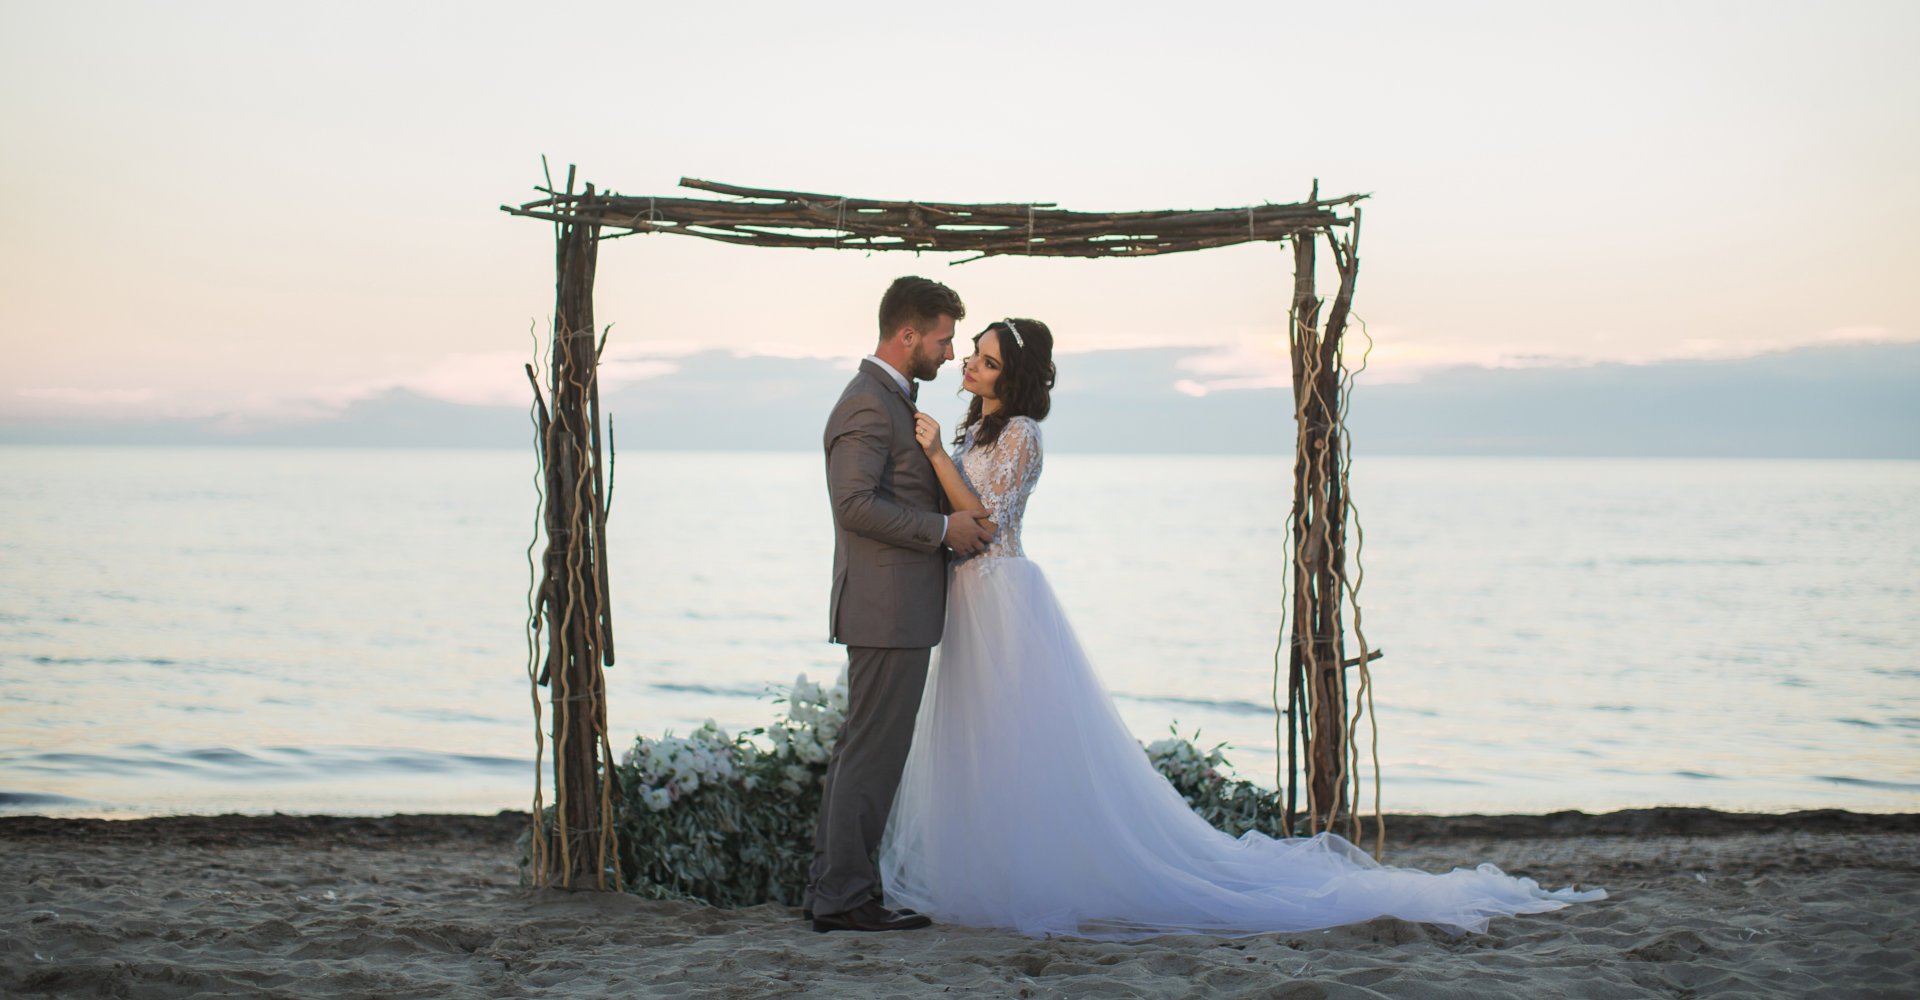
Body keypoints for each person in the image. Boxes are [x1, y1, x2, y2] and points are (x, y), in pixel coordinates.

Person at [878, 317, 1606, 940]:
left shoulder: (1024, 436)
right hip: (967, 602)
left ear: (1016, 376)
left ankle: (1033, 880)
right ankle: (989, 872)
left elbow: (985, 522)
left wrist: (938, 454)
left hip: (1002, 593)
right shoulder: (979, 426)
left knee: (1017, 745)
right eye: (972, 350)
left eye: (987, 357)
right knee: (974, 743)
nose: (970, 362)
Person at [805, 276, 996, 934]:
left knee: (866, 750)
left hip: (898, 607)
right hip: (886, 607)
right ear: (906, 334)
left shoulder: (891, 400)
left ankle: (837, 888)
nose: (950, 354)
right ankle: (843, 899)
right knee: (873, 754)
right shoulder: (866, 404)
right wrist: (945, 530)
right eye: (943, 340)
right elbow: (853, 505)